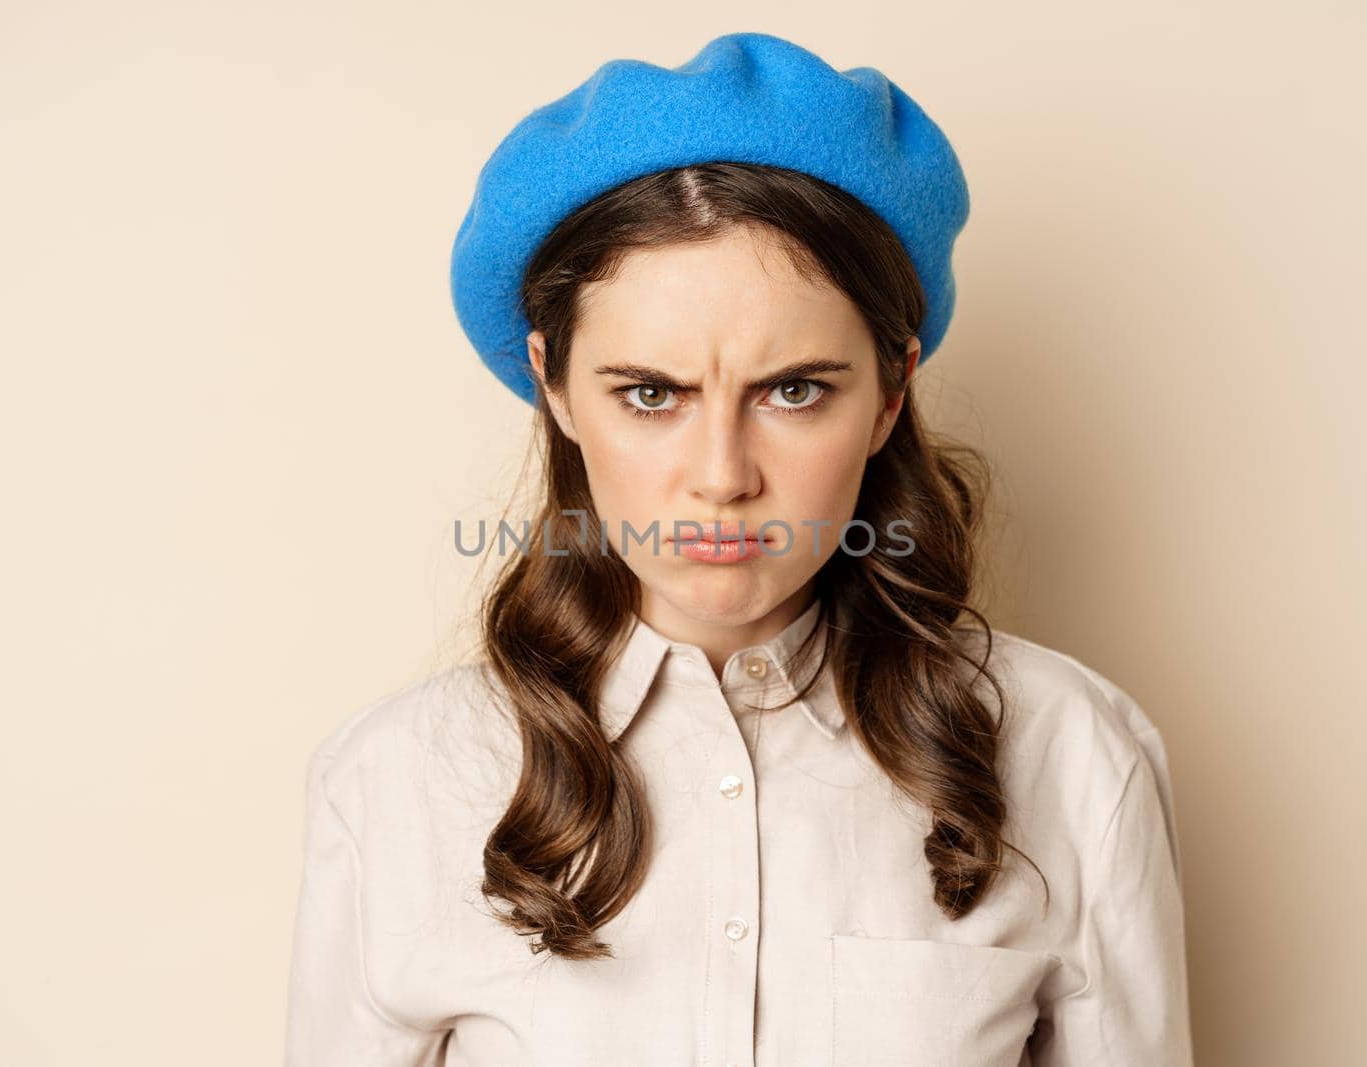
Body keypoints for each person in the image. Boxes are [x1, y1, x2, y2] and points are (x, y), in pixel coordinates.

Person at [283, 31, 1193, 1066]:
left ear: (892, 388)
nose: (722, 475)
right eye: (650, 393)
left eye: (794, 389)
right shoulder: (396, 781)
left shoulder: (1073, 758)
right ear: (552, 383)